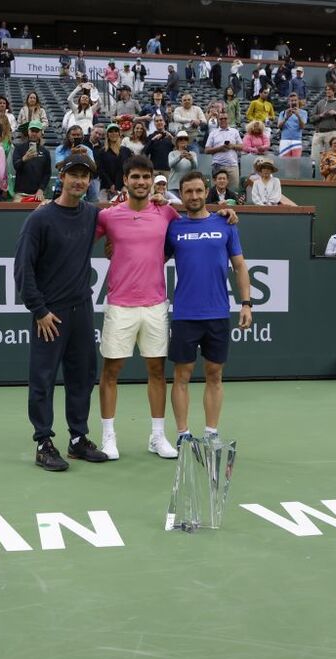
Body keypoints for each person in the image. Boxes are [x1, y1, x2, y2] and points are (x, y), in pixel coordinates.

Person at [14, 153, 108, 471]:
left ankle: (78, 440)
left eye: (85, 176)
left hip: (82, 309)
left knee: (82, 377)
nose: (80, 180)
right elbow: (22, 269)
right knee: (43, 379)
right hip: (49, 315)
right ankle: (43, 442)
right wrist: (39, 310)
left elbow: (130, 214)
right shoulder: (39, 219)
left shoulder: (93, 214)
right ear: (61, 176)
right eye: (74, 175)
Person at [94, 155, 182, 460]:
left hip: (156, 304)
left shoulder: (166, 212)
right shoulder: (109, 216)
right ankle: (108, 437)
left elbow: (190, 232)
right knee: (111, 371)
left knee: (157, 370)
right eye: (135, 177)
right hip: (120, 305)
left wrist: (226, 213)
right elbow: (77, 236)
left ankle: (157, 437)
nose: (141, 182)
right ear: (125, 181)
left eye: (146, 177)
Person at [167, 171, 251, 450]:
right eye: (188, 192)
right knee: (182, 375)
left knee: (215, 373)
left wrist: (246, 304)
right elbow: (149, 256)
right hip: (184, 314)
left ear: (207, 192)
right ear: (181, 194)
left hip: (217, 313)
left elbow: (239, 266)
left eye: (198, 191)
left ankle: (211, 432)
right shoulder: (174, 227)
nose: (194, 196)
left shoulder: (226, 223)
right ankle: (182, 434)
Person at [11, 120, 50, 202]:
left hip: (38, 194)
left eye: (37, 131)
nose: (34, 133)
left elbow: (47, 173)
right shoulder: (19, 148)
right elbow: (16, 166)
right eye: (32, 131)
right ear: (28, 131)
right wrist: (23, 159)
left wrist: (41, 189)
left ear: (41, 133)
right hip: (20, 194)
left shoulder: (45, 152)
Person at [204, 111, 243, 187]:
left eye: (225, 118)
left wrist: (232, 146)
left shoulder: (235, 132)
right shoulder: (213, 133)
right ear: (218, 120)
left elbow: (242, 147)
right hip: (218, 166)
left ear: (228, 119)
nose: (223, 120)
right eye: (221, 118)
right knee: (217, 192)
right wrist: (220, 148)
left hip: (232, 166)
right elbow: (206, 150)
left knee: (234, 191)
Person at [97, 123, 133, 201]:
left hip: (123, 189)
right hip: (106, 189)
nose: (113, 133)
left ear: (119, 133)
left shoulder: (126, 151)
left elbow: (129, 170)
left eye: (116, 131)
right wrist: (110, 185)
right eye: (111, 131)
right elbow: (101, 170)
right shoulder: (102, 152)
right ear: (107, 134)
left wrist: (125, 185)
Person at [312, 85, 336, 160]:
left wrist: (335, 114)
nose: (328, 91)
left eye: (330, 89)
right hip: (318, 132)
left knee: (330, 157)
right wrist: (321, 115)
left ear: (334, 91)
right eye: (326, 90)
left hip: (331, 132)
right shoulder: (320, 103)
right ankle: (315, 171)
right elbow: (311, 118)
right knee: (315, 157)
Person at [276, 93, 307, 158]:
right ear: (289, 102)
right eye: (292, 101)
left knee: (295, 163)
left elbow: (303, 126)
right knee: (284, 162)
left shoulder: (304, 112)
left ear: (298, 101)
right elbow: (279, 126)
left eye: (295, 100)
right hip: (285, 140)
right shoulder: (283, 113)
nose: (294, 102)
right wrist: (286, 117)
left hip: (297, 140)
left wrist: (298, 115)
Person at [167, 131, 197, 195]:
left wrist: (191, 159)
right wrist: (180, 157)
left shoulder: (192, 154)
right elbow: (170, 165)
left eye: (185, 139)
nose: (183, 140)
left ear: (187, 142)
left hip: (187, 186)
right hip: (173, 186)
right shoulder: (172, 153)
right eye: (180, 139)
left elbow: (195, 167)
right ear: (177, 142)